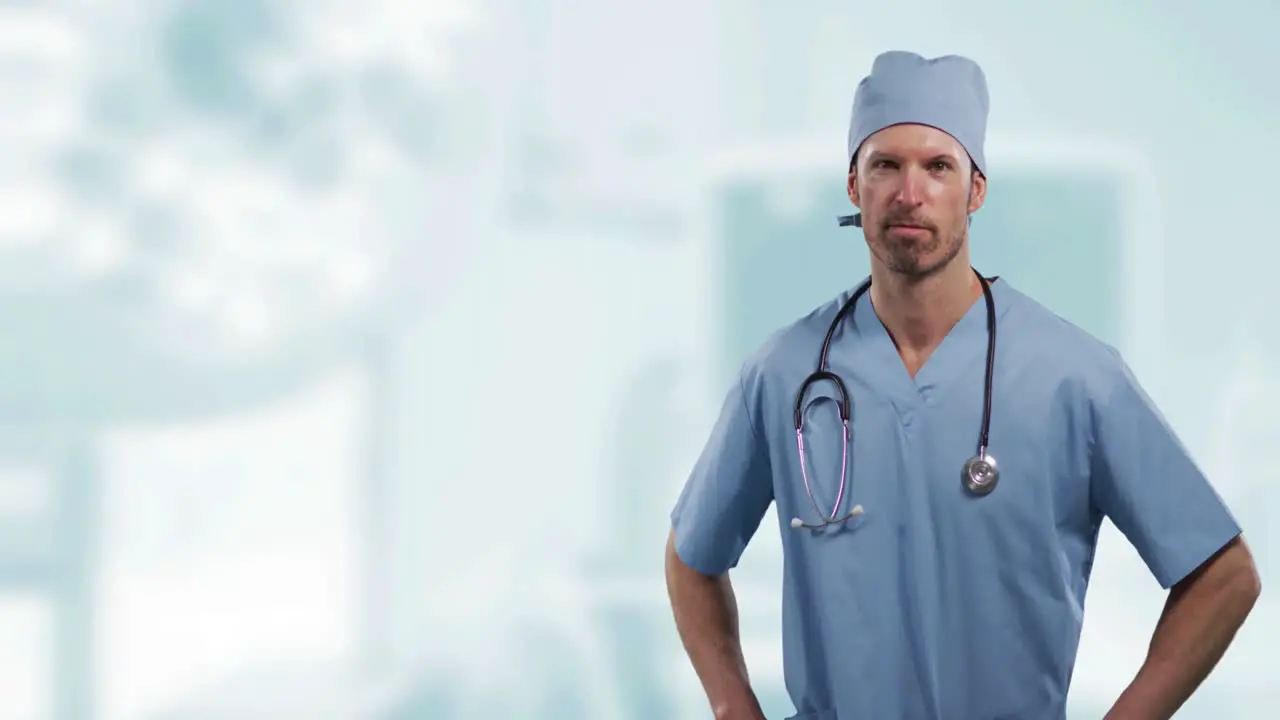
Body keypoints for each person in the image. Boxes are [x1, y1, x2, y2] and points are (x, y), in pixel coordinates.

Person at [665, 50, 1261, 720]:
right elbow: (692, 558)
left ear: (975, 191)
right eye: (884, 165)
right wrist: (730, 705)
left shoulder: (1076, 378)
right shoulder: (782, 374)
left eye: (937, 166)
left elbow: (1223, 575)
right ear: (854, 188)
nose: (908, 193)